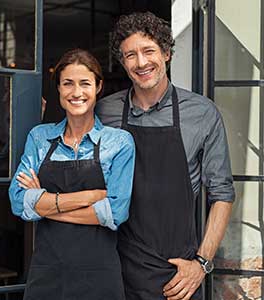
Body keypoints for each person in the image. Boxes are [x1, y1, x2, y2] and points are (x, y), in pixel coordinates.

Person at [95, 12, 234, 300]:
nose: (141, 62)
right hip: (113, 267)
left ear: (167, 53)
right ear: (123, 63)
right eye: (130, 55)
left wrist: (202, 263)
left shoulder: (202, 113)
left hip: (177, 276)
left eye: (148, 51)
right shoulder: (104, 111)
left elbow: (222, 194)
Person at [9, 48, 135, 300]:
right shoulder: (40, 137)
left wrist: (45, 204)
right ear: (58, 89)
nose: (76, 92)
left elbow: (115, 213)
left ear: (98, 87)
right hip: (47, 274)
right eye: (68, 83)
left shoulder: (119, 142)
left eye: (85, 83)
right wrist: (90, 196)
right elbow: (18, 202)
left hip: (99, 277)